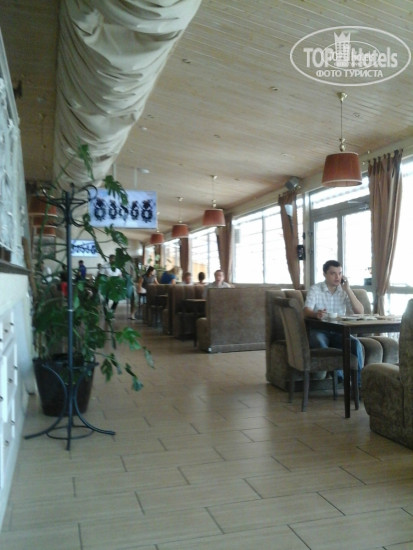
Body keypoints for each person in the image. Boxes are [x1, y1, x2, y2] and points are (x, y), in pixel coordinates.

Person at [303, 259, 364, 384]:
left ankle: (359, 384)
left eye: (340, 273)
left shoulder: (343, 291)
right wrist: (316, 314)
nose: (337, 277)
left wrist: (348, 290)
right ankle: (340, 378)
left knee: (355, 344)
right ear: (325, 274)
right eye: (333, 273)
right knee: (320, 343)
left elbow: (360, 312)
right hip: (319, 330)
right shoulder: (315, 289)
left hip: (339, 332)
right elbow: (306, 310)